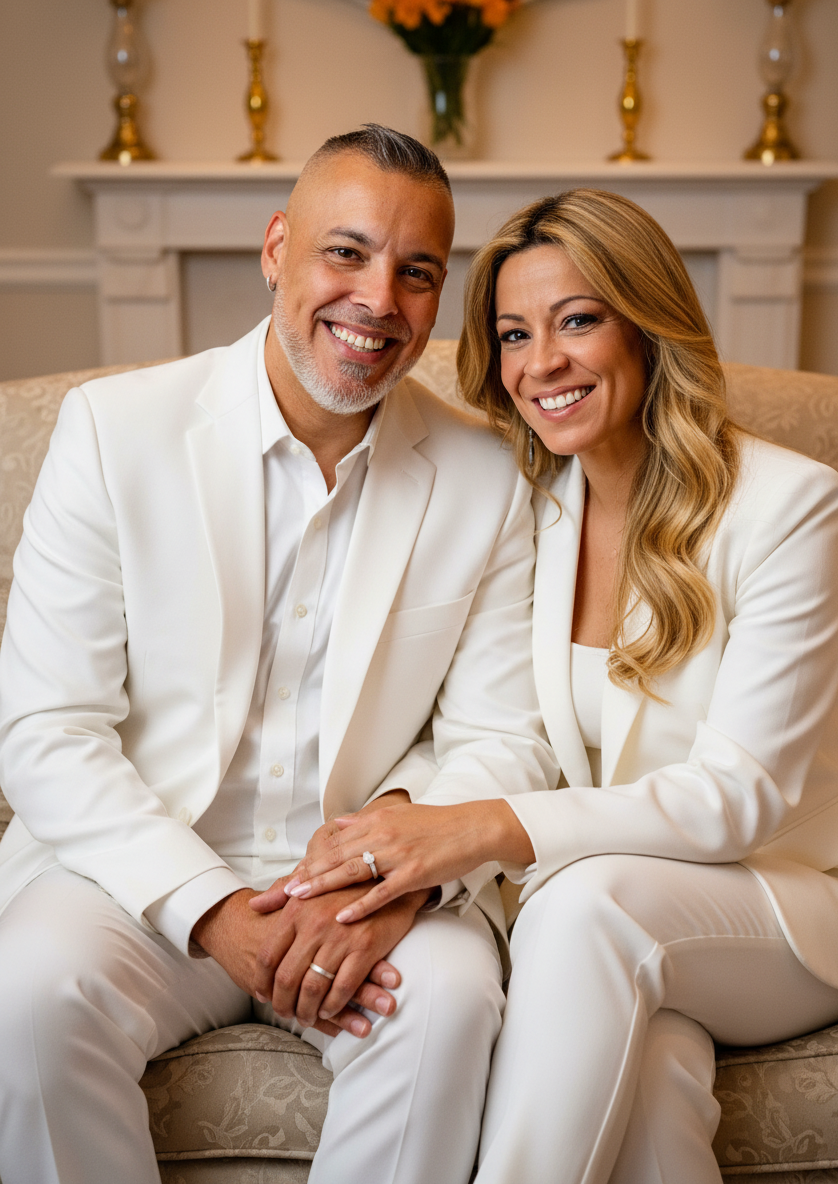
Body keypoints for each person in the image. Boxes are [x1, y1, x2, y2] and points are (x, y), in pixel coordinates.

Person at [0, 125, 558, 1184]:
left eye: (417, 272)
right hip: (137, 871)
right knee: (24, 991)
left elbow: (505, 736)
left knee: (446, 1002)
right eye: (345, 252)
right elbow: (44, 729)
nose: (378, 299)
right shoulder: (114, 431)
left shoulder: (490, 474)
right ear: (276, 250)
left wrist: (397, 877)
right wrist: (210, 908)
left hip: (366, 897)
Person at [275, 188, 838, 1183]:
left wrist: (491, 828)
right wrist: (397, 836)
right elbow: (488, 718)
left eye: (577, 320)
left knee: (585, 907)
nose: (540, 362)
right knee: (655, 1083)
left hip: (797, 901)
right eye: (513, 333)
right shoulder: (526, 499)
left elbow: (742, 797)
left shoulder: (789, 506)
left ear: (647, 324)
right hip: (637, 930)